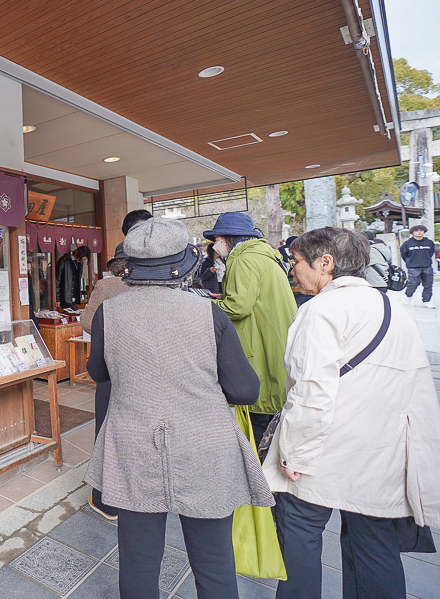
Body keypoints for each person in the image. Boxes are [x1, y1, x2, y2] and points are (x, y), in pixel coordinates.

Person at [263, 227, 440, 599]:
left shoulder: (321, 310)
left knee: (299, 534)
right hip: (379, 451)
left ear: (326, 263)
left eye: (298, 262)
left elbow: (311, 391)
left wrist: (295, 453)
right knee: (374, 545)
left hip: (324, 447)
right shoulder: (390, 307)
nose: (293, 270)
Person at [85, 217, 273, 599]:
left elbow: (97, 371)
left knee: (138, 563)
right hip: (204, 445)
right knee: (215, 565)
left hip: (134, 447)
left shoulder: (110, 312)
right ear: (186, 264)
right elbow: (244, 390)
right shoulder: (210, 314)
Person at [80, 208, 151, 521]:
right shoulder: (159, 283)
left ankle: (106, 500)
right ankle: (140, 492)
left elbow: (85, 322)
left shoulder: (107, 287)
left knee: (106, 430)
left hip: (110, 368)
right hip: (149, 371)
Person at [204, 212, 297, 445]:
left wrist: (206, 304)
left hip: (259, 341)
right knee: (271, 418)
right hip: (276, 337)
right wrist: (223, 297)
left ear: (227, 239)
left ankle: (256, 477)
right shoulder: (265, 255)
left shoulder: (242, 259)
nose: (215, 245)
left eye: (216, 239)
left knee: (257, 424)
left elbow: (237, 307)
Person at [400, 224, 436, 308]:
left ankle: (426, 300)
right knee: (413, 283)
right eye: (416, 231)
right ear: (412, 232)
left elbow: (431, 253)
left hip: (427, 266)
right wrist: (410, 262)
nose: (419, 232)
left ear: (424, 232)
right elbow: (404, 254)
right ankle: (408, 296)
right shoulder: (407, 243)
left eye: (421, 230)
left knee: (428, 284)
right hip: (413, 267)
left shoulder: (429, 242)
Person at [56, 245, 89, 310]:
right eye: (81, 258)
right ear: (77, 252)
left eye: (83, 259)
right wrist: (57, 298)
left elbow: (78, 280)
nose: (81, 261)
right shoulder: (64, 261)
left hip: (74, 297)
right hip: (65, 296)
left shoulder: (79, 264)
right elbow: (57, 280)